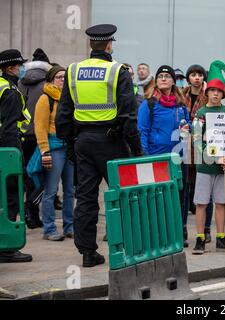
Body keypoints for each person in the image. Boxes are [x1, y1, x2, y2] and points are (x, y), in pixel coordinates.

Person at [56, 24, 142, 267]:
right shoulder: (117, 71)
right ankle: (127, 248)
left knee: (85, 199)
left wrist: (70, 144)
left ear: (91, 45)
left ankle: (87, 253)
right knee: (124, 196)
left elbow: (63, 113)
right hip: (112, 142)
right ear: (109, 44)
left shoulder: (73, 71)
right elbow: (128, 116)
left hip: (83, 141)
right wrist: (135, 148)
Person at [137, 65, 190, 246]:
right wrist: (145, 155)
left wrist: (187, 129)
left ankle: (180, 229)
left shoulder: (181, 104)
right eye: (160, 76)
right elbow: (142, 131)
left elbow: (188, 126)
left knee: (180, 194)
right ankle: (159, 233)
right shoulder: (149, 103)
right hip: (157, 157)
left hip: (179, 156)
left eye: (167, 76)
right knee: (158, 195)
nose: (163, 79)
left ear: (174, 81)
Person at [192, 60, 225, 254]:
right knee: (201, 204)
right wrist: (215, 158)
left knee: (221, 203)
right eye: (212, 91)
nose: (216, 94)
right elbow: (196, 141)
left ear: (223, 93)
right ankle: (200, 239)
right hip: (205, 166)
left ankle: (221, 238)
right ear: (207, 92)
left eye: (219, 91)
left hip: (223, 167)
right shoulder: (200, 114)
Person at [0, 48, 33, 263]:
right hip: (7, 151)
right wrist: (16, 157)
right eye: (20, 65)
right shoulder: (10, 91)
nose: (22, 68)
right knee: (11, 197)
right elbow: (9, 128)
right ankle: (8, 248)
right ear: (10, 68)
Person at [34, 66, 74, 241]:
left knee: (70, 190)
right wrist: (44, 150)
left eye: (65, 77)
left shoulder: (70, 97)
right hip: (54, 149)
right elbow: (39, 127)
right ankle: (49, 229)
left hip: (70, 147)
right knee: (51, 190)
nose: (63, 80)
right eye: (59, 77)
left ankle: (69, 227)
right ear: (51, 79)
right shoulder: (45, 98)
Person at [18, 48, 53, 229]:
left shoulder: (20, 83)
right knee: (39, 176)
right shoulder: (47, 85)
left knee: (26, 174)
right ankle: (33, 213)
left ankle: (25, 214)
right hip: (40, 136)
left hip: (22, 135)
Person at [182, 64, 213, 246]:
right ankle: (183, 227)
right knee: (185, 191)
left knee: (205, 191)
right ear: (188, 78)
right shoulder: (181, 96)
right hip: (185, 148)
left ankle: (207, 229)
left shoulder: (209, 96)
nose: (196, 78)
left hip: (202, 149)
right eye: (193, 74)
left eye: (200, 75)